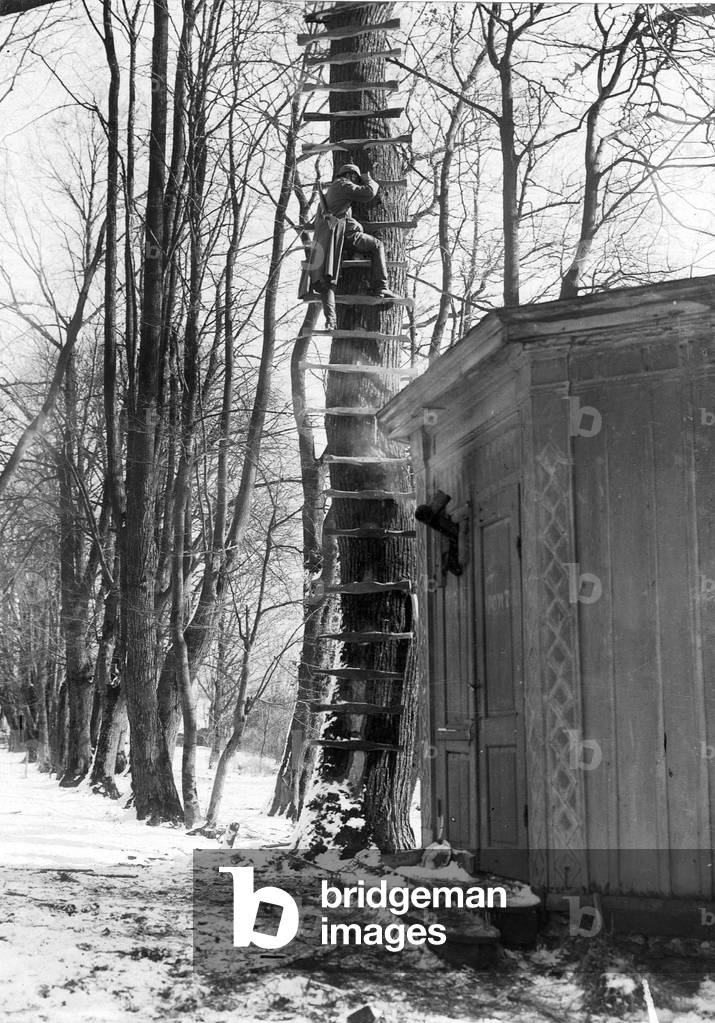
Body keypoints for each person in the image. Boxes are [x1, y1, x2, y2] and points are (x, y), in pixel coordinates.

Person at [300, 163, 396, 330]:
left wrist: (354, 224)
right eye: (356, 179)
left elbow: (332, 219)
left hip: (329, 241)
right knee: (377, 245)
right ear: (351, 176)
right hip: (341, 236)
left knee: (327, 281)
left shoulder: (330, 193)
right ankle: (382, 287)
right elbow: (367, 193)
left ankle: (331, 321)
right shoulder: (343, 184)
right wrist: (370, 180)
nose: (356, 182)